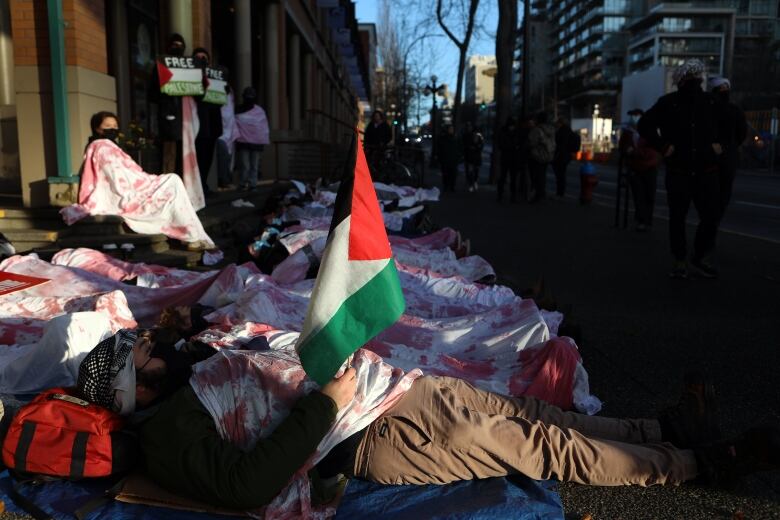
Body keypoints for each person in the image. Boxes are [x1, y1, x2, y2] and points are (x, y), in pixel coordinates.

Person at [136, 364, 779, 510]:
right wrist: (325, 403)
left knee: (536, 416)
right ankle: (694, 462)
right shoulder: (163, 433)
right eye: (133, 354)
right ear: (131, 391)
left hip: (396, 387)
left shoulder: (183, 374)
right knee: (541, 447)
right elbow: (251, 485)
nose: (145, 344)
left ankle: (660, 430)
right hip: (373, 430)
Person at [638, 59, 723, 279]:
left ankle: (681, 260)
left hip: (681, 170)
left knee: (679, 218)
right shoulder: (711, 102)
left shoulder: (669, 102)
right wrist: (718, 146)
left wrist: (664, 146)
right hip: (704, 169)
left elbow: (644, 124)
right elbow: (731, 124)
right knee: (708, 217)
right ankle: (698, 257)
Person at [708, 76, 748, 223]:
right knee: (721, 194)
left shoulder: (707, 109)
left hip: (712, 157)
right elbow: (741, 134)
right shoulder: (735, 110)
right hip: (726, 156)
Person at [619, 109, 660, 231]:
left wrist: (636, 152)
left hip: (649, 167)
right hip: (635, 168)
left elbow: (653, 151)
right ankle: (642, 220)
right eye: (633, 116)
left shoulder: (650, 132)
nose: (634, 118)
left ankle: (647, 220)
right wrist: (628, 151)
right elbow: (623, 147)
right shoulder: (627, 133)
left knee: (649, 195)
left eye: (636, 115)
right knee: (638, 196)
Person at [153, 34, 187, 175]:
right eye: (174, 45)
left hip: (186, 121)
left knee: (184, 156)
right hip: (169, 119)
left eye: (180, 45)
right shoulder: (160, 68)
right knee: (169, 154)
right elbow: (152, 94)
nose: (177, 48)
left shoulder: (190, 69)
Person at [192, 48, 223, 198]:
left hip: (212, 126)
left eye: (204, 58)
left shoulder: (216, 76)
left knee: (207, 159)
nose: (202, 60)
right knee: (197, 159)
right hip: (198, 125)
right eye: (198, 58)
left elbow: (220, 99)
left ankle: (203, 185)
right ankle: (198, 187)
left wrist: (225, 90)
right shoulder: (190, 77)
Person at [234, 87, 270, 191]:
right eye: (247, 96)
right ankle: (242, 183)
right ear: (243, 97)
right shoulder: (238, 109)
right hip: (243, 141)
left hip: (256, 143)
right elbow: (234, 124)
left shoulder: (259, 111)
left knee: (254, 165)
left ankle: (252, 184)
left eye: (251, 97)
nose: (249, 99)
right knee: (245, 165)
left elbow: (262, 127)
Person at [527, 112, 556, 202]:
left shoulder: (536, 130)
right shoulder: (551, 129)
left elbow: (531, 142)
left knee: (536, 176)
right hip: (548, 154)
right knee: (542, 175)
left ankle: (537, 194)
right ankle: (542, 193)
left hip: (537, 155)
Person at [551, 118, 581, 198]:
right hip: (567, 156)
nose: (556, 125)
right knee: (562, 174)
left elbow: (558, 145)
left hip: (560, 156)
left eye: (557, 123)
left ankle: (559, 192)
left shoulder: (560, 132)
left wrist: (554, 156)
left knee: (559, 175)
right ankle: (561, 192)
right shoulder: (569, 131)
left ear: (560, 123)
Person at [496, 117, 521, 202]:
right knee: (507, 177)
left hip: (508, 157)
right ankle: (505, 195)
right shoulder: (514, 133)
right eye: (511, 126)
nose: (512, 127)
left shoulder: (505, 132)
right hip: (510, 157)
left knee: (508, 177)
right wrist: (514, 146)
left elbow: (501, 145)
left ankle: (506, 195)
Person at [437, 124, 461, 192]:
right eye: (450, 129)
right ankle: (446, 186)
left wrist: (459, 156)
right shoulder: (443, 138)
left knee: (453, 174)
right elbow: (440, 148)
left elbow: (460, 147)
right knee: (446, 174)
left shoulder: (456, 138)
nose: (451, 130)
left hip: (453, 159)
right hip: (445, 159)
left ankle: (452, 186)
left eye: (452, 129)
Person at [461, 122, 484, 192]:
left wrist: (477, 147)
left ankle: (474, 182)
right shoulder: (467, 136)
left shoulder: (479, 136)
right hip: (470, 156)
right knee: (470, 171)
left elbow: (482, 145)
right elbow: (465, 145)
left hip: (476, 156)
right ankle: (471, 184)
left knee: (475, 171)